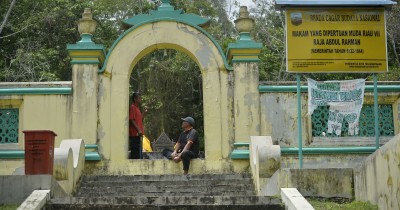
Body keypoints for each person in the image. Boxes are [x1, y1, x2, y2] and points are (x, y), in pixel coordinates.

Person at [129, 92, 144, 159]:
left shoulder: (137, 108)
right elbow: (131, 119)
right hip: (134, 135)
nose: (141, 99)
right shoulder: (132, 107)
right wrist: (139, 130)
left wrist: (144, 113)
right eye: (139, 98)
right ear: (135, 99)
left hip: (139, 135)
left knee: (138, 154)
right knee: (135, 155)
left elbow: (140, 120)